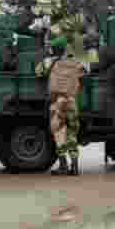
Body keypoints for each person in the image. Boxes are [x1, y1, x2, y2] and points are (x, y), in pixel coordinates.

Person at [36, 37, 87, 176]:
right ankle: (75, 166)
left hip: (56, 104)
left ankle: (63, 165)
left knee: (59, 134)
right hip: (71, 102)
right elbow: (87, 69)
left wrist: (46, 55)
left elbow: (38, 72)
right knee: (72, 135)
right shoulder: (77, 63)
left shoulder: (49, 62)